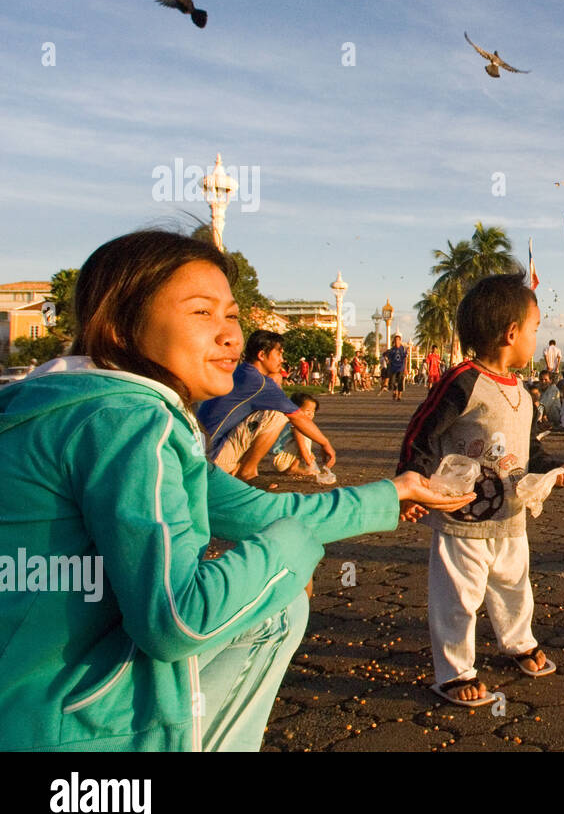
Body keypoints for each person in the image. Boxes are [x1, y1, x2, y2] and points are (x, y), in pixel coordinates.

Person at [0, 230, 472, 752]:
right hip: (53, 729)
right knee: (276, 603)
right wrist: (291, 553)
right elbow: (177, 622)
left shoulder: (56, 404)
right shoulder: (131, 420)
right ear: (118, 329)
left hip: (23, 695)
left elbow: (255, 508)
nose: (230, 336)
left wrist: (392, 493)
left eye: (231, 316)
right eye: (202, 313)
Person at [396, 272, 564, 708]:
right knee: (458, 598)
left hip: (511, 516)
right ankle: (455, 671)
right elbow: (422, 430)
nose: (538, 337)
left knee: (515, 586)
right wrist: (411, 482)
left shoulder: (522, 390)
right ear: (511, 333)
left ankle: (518, 642)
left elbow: (530, 447)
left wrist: (555, 469)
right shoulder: (463, 380)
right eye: (535, 329)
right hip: (462, 516)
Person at [199, 330, 338, 482]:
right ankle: (247, 473)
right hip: (213, 459)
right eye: (279, 354)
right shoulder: (259, 383)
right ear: (262, 355)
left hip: (202, 453)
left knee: (268, 412)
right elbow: (297, 416)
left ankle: (240, 469)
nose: (282, 359)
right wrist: (325, 443)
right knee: (277, 415)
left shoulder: (242, 372)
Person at [269, 392, 324, 476]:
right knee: (306, 435)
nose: (311, 414)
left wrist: (309, 454)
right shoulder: (296, 426)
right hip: (280, 460)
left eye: (313, 411)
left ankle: (292, 467)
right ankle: (293, 468)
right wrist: (309, 461)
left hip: (277, 459)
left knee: (305, 436)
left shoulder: (286, 422)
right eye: (307, 411)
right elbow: (302, 446)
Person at [384, 335, 409, 401]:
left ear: (400, 341)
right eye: (395, 340)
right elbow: (389, 358)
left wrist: (406, 368)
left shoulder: (403, 349)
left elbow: (405, 358)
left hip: (401, 368)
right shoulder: (392, 350)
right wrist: (387, 361)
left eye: (398, 340)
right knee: (393, 382)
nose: (396, 342)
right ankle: (394, 392)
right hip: (393, 368)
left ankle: (399, 395)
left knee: (400, 382)